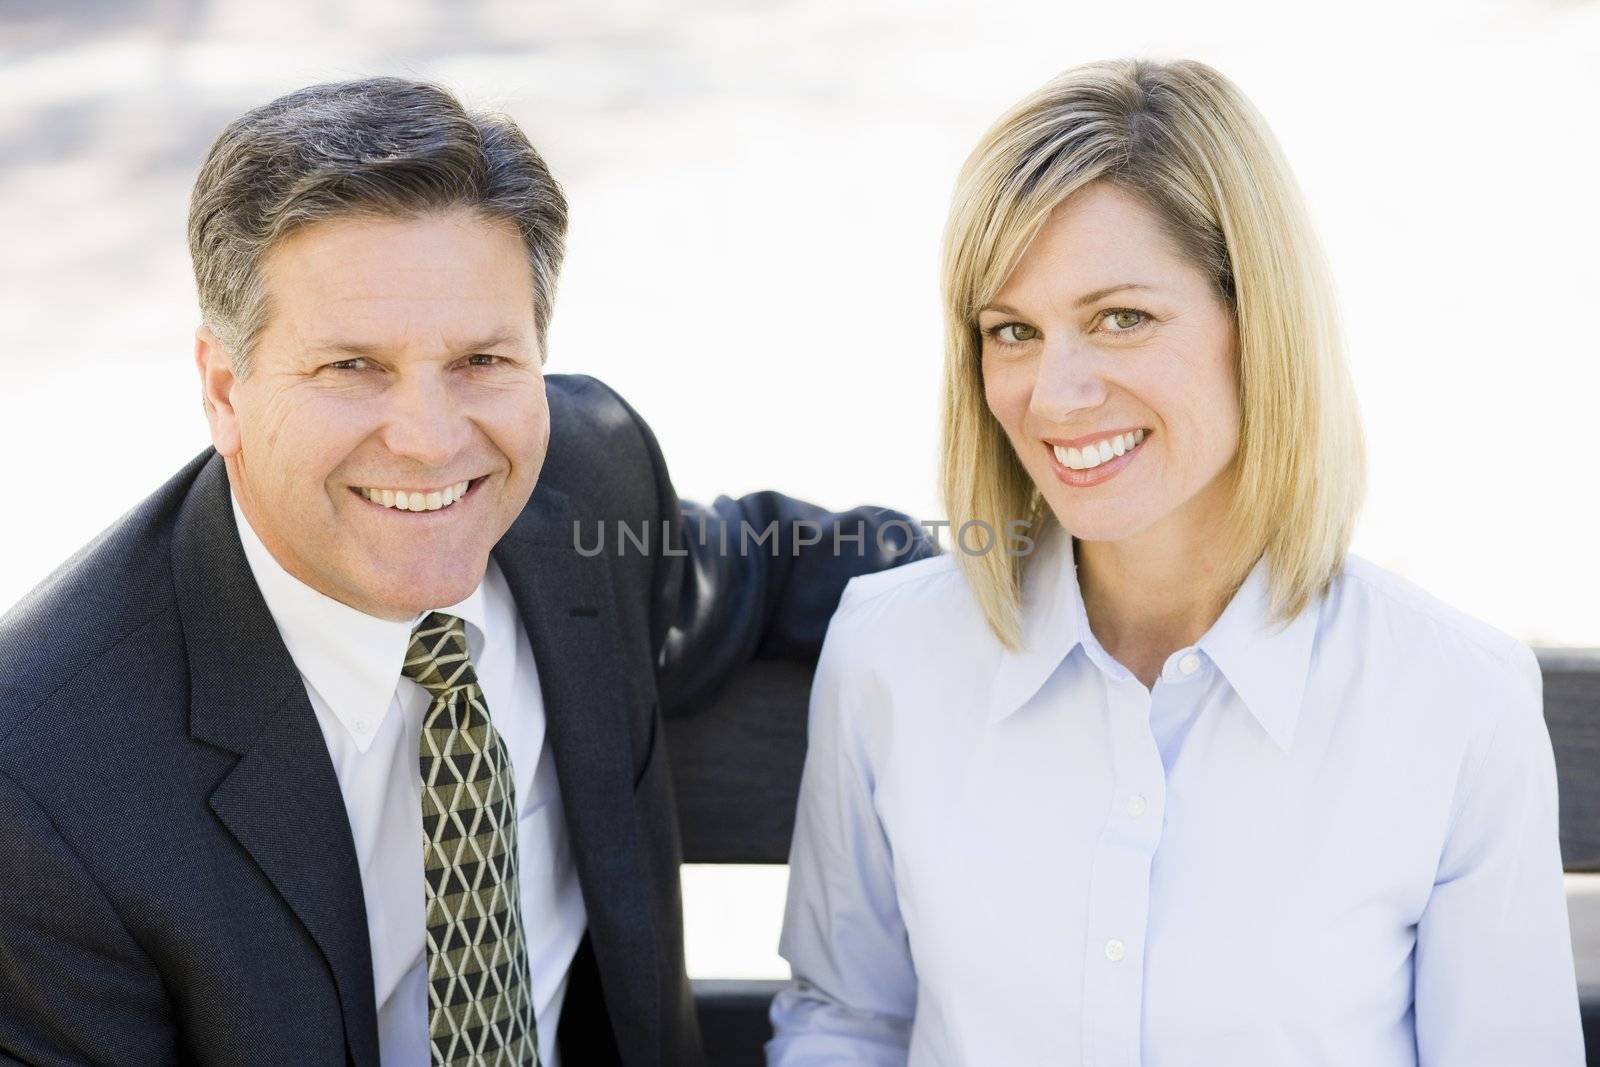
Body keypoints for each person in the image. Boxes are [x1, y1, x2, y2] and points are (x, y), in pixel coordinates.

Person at [0, 77, 931, 1067]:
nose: (432, 440)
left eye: (481, 359)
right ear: (226, 389)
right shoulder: (44, 780)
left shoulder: (584, 484)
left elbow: (779, 563)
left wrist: (1073, 569)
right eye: (350, 366)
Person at [767, 57, 1584, 1065]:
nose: (1053, 394)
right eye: (1011, 331)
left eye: (1121, 318)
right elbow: (849, 1018)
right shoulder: (888, 652)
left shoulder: (1454, 699)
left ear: (1261, 323)